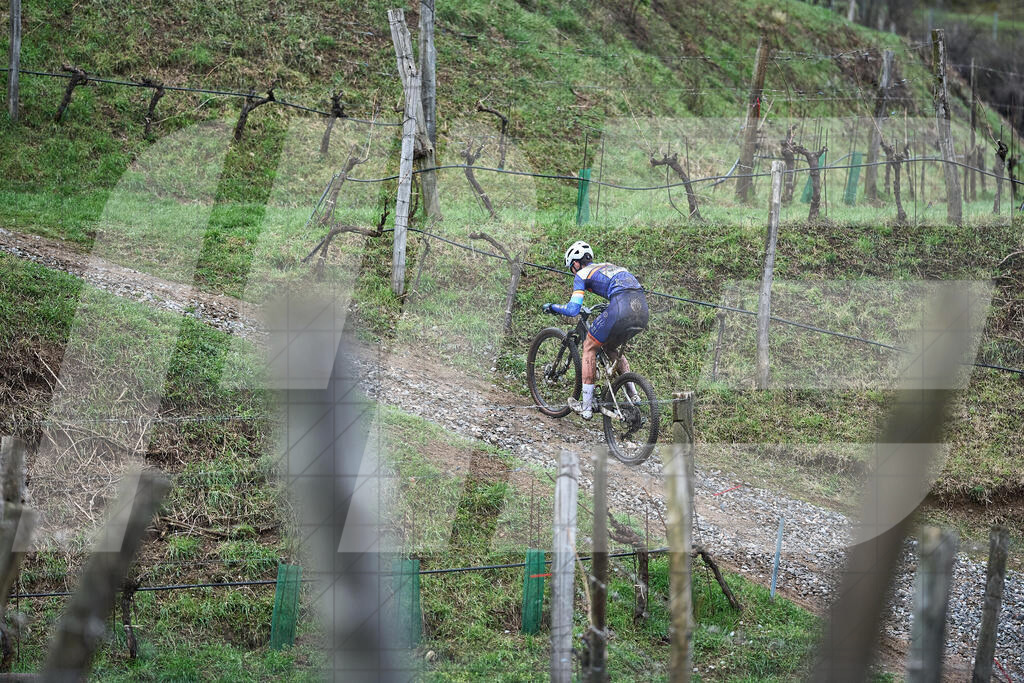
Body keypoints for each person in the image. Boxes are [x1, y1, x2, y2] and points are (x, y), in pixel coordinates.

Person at [542, 241, 648, 419]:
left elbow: (573, 309)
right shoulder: (608, 266)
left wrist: (553, 307)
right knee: (610, 348)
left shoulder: (582, 274)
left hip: (620, 306)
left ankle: (586, 406)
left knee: (589, 346)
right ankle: (634, 395)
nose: (572, 271)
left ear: (575, 263)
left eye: (571, 268)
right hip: (642, 309)